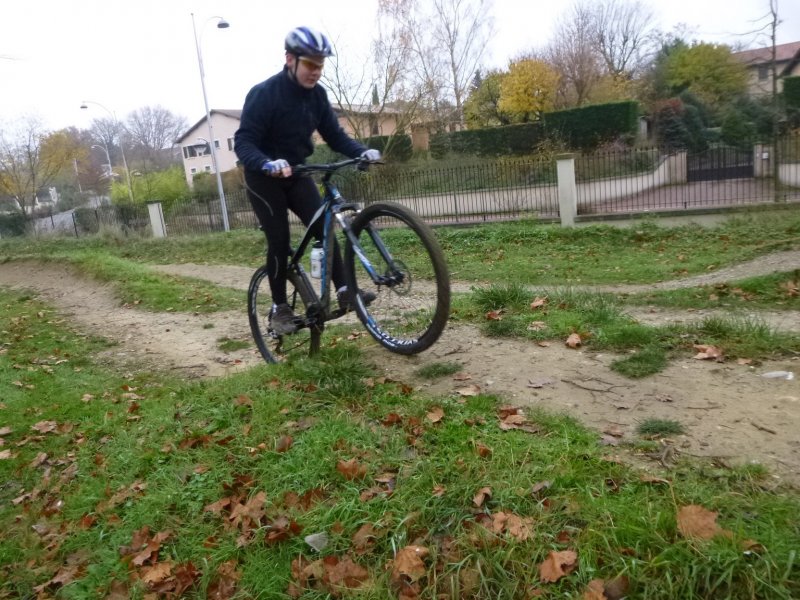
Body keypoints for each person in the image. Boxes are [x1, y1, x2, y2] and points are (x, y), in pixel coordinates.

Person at [234, 26, 381, 335]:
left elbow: (336, 136)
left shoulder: (317, 97)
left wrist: (362, 152)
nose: (316, 71)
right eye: (311, 64)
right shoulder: (265, 94)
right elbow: (244, 142)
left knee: (324, 226)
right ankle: (279, 309)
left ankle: (344, 291)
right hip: (264, 178)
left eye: (320, 65)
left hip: (297, 173)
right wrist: (265, 163)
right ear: (290, 59)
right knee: (279, 240)